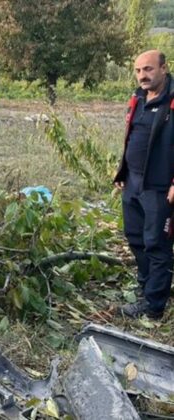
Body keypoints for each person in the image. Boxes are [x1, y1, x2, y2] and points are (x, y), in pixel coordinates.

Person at [113, 50, 174, 320]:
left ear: (164, 68)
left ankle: (154, 307)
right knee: (136, 238)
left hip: (160, 187)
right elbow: (132, 137)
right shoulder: (137, 98)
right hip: (133, 182)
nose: (142, 76)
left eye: (148, 69)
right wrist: (123, 172)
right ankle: (146, 289)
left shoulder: (171, 101)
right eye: (138, 71)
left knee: (157, 244)